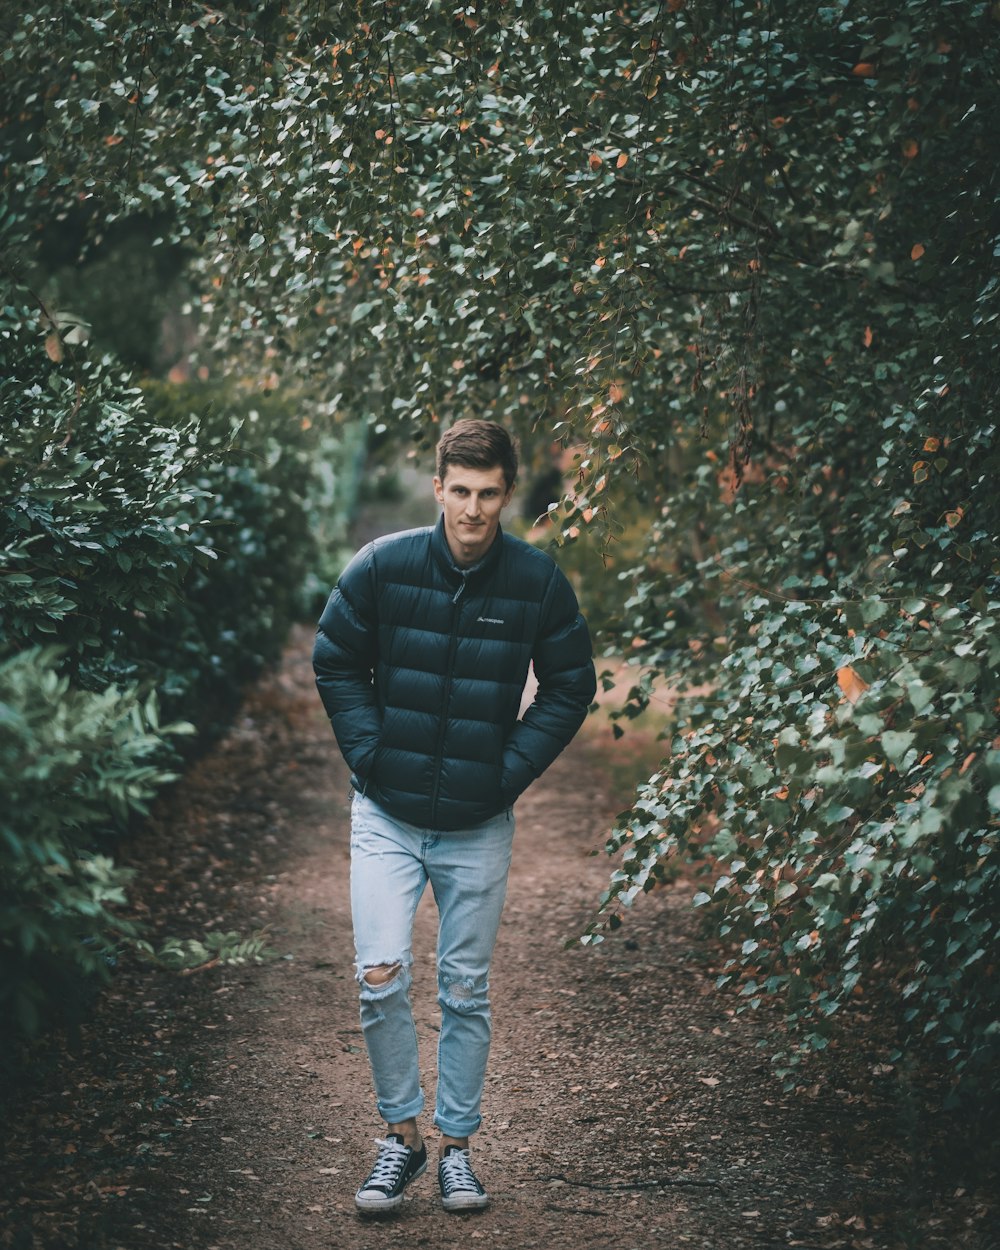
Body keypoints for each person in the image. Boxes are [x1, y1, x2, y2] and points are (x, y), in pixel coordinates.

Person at [312, 418, 596, 1215]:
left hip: (478, 825)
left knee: (465, 990)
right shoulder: (383, 565)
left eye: (489, 493)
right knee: (379, 976)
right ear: (438, 487)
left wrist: (506, 772)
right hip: (387, 814)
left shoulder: (536, 582)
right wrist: (370, 756)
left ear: (508, 495)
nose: (473, 508)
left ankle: (457, 1151)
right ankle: (400, 1141)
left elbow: (572, 686)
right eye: (460, 491)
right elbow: (335, 658)